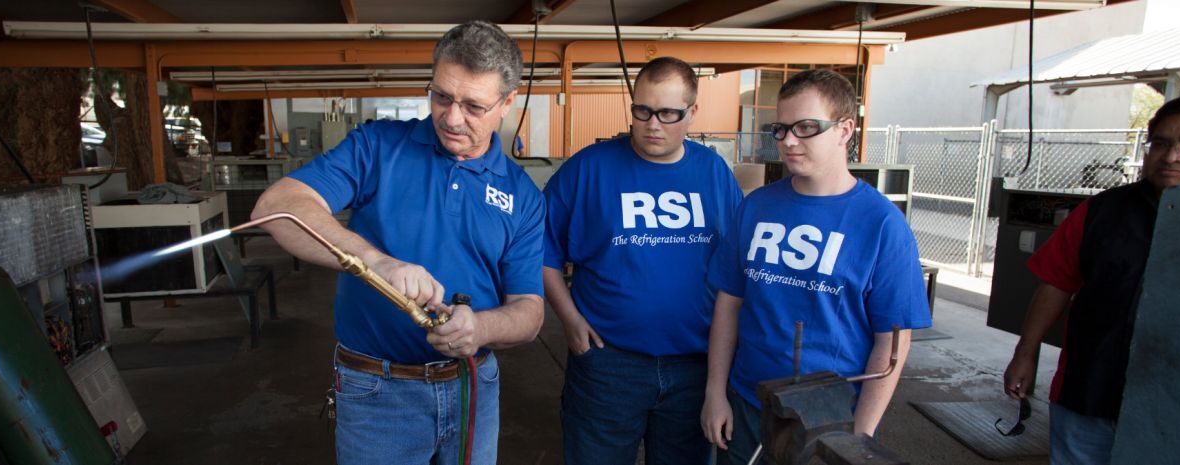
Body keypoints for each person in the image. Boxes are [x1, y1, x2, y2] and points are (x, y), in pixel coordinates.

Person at [251, 21, 544, 465]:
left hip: (473, 389)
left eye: (473, 105)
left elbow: (529, 312)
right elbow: (279, 206)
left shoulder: (522, 195)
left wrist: (479, 328)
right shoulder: (377, 148)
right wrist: (374, 262)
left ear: (507, 102)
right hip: (376, 391)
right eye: (441, 95)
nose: (451, 117)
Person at [700, 69, 932, 464]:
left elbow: (891, 342)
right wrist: (715, 392)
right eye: (781, 128)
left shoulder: (880, 225)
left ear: (845, 130)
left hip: (829, 416)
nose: (789, 140)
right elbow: (729, 303)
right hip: (747, 403)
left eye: (806, 127)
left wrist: (860, 436)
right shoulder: (756, 206)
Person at [543, 56, 742, 465]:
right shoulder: (587, 169)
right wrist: (568, 319)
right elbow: (538, 253)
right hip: (608, 365)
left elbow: (735, 270)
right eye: (643, 110)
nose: (653, 124)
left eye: (669, 113)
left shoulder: (714, 172)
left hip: (695, 365)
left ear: (693, 112)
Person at [1002, 93, 1180, 465]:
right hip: (1088, 393)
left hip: (1174, 409)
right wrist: (1025, 353)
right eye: (1162, 144)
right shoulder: (1103, 210)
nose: (1172, 157)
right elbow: (1056, 283)